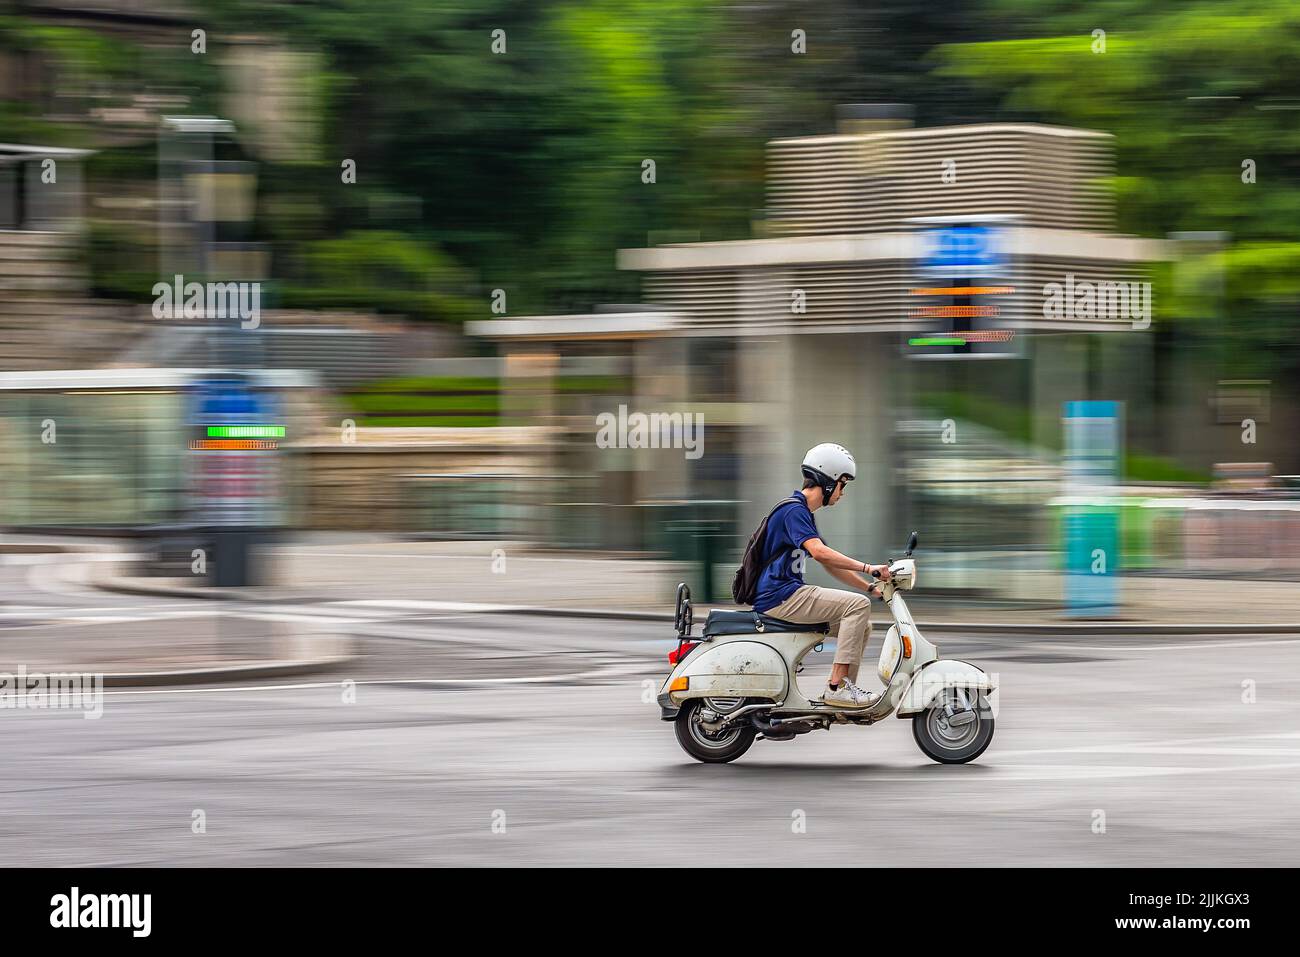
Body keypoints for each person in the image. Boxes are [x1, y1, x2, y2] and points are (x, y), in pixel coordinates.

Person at [752, 443, 892, 708]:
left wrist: (868, 587)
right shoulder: (793, 510)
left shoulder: (801, 513)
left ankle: (843, 691)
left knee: (863, 624)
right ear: (828, 482)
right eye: (842, 484)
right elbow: (819, 553)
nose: (843, 493)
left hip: (786, 594)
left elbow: (831, 564)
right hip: (781, 596)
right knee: (856, 607)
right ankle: (836, 688)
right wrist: (868, 567)